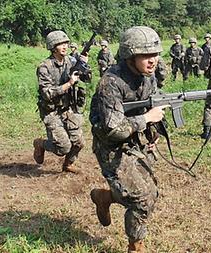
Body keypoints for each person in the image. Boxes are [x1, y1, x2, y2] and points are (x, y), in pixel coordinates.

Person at [89, 26, 165, 253]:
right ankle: (135, 247)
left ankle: (105, 197)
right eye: (146, 55)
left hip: (135, 141)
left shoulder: (148, 78)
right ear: (130, 55)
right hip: (111, 147)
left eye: (155, 54)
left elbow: (150, 108)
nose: (153, 61)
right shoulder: (110, 83)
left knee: (151, 192)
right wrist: (146, 119)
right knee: (141, 199)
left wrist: (154, 133)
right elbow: (115, 131)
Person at [33, 31, 89, 173]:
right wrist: (69, 84)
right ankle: (41, 144)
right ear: (52, 47)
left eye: (65, 43)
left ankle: (68, 164)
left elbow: (86, 78)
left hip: (67, 109)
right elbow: (47, 93)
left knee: (79, 142)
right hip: (51, 111)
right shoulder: (44, 67)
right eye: (60, 44)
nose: (64, 46)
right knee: (63, 147)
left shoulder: (71, 61)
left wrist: (84, 66)